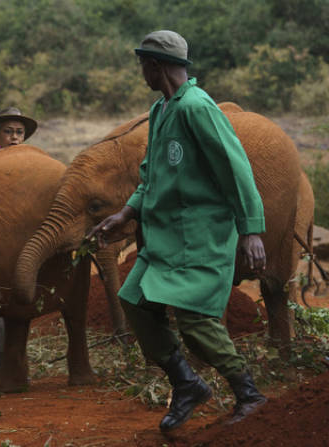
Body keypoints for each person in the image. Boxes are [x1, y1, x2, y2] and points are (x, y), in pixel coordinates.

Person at [89, 30, 268, 431]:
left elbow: (235, 166)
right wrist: (127, 212)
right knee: (133, 300)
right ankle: (186, 383)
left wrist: (251, 230)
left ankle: (249, 394)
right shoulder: (162, 109)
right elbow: (153, 173)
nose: (141, 73)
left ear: (155, 65)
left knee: (196, 320)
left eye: (142, 65)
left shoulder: (197, 108)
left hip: (199, 235)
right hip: (164, 236)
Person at [0, 106, 38, 381]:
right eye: (8, 132)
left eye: (19, 133)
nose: (15, 138)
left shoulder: (31, 167)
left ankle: (15, 370)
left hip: (22, 249)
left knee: (22, 307)